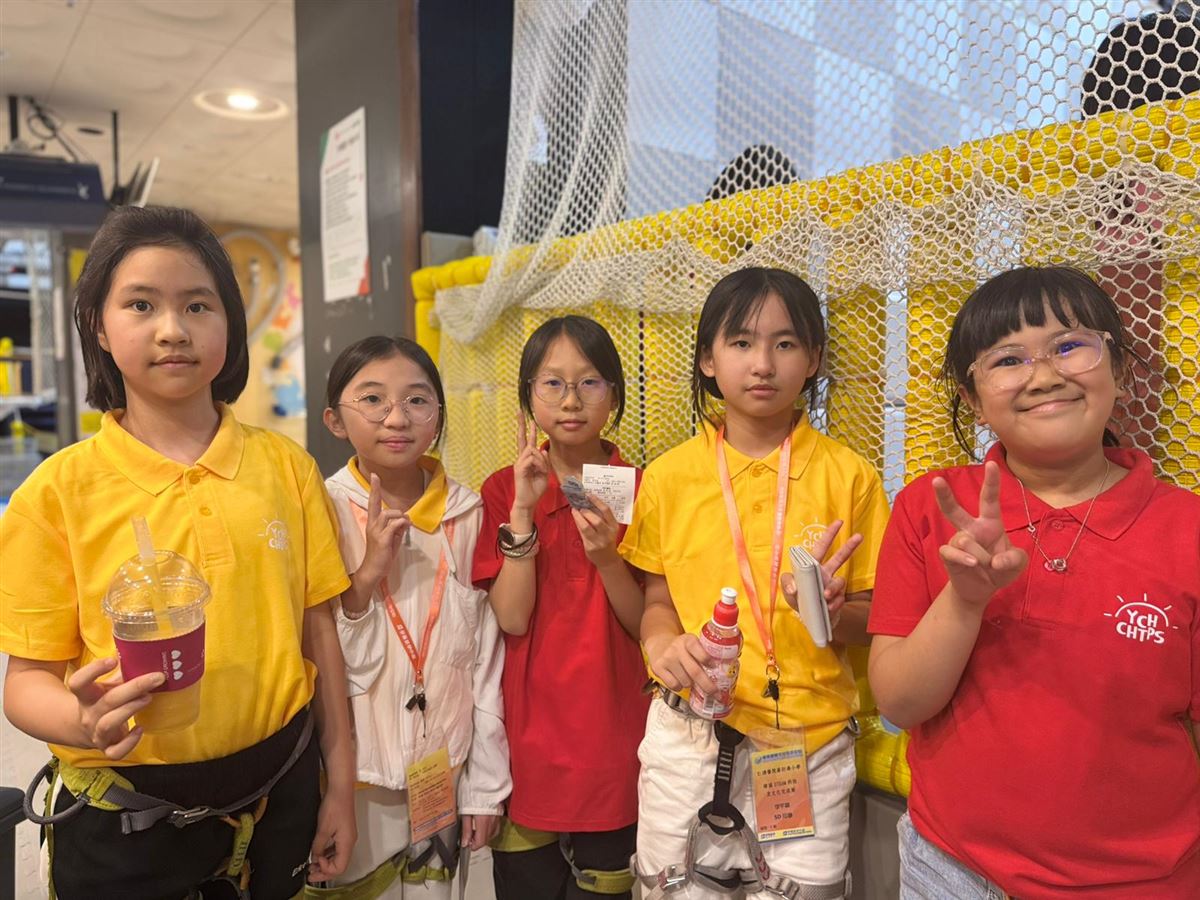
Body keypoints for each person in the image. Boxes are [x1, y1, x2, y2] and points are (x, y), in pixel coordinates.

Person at [0, 205, 356, 899]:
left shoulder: (286, 468)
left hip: (279, 793)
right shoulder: (56, 493)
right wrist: (81, 720)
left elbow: (320, 636)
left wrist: (338, 785)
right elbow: (25, 682)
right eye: (141, 304)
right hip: (125, 817)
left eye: (198, 305)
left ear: (229, 323)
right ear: (99, 326)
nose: (174, 329)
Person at [868, 266, 1200, 897]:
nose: (1044, 375)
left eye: (1070, 346)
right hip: (950, 869)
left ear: (1119, 369)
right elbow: (901, 704)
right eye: (1008, 359)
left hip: (1142, 882)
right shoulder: (930, 507)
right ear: (972, 397)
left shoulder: (1187, 529)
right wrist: (964, 600)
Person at [620, 267, 890, 899]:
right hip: (688, 736)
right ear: (708, 360)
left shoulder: (851, 476)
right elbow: (657, 599)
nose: (763, 363)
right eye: (741, 342)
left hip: (806, 744)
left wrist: (832, 612)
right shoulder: (669, 476)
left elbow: (874, 617)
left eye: (785, 343)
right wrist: (660, 646)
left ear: (813, 359)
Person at [314, 336, 508, 897]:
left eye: (417, 400)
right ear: (334, 420)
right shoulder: (323, 510)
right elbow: (322, 656)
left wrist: (484, 786)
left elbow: (485, 660)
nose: (397, 418)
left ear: (439, 415)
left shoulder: (468, 514)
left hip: (443, 771)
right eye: (372, 399)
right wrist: (367, 576)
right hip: (354, 780)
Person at [472, 316, 647, 899]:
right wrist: (523, 512)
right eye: (552, 384)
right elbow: (512, 618)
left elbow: (645, 625)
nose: (571, 401)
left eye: (589, 382)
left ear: (614, 394)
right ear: (529, 396)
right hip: (527, 749)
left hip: (616, 748)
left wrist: (607, 559)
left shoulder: (640, 487)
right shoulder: (502, 489)